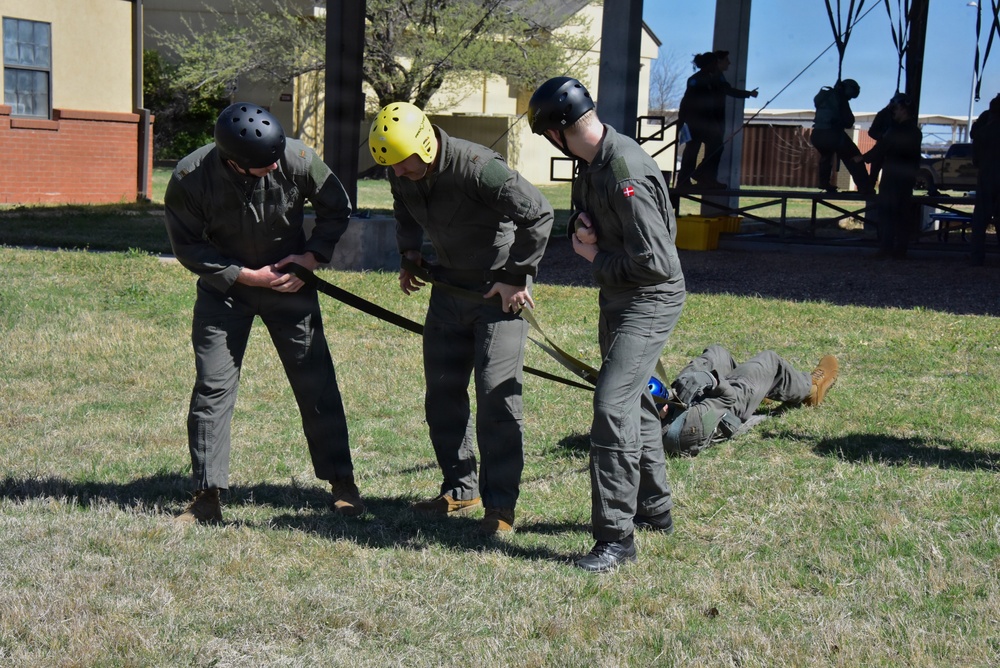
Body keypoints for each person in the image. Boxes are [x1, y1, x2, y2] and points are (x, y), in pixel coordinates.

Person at [165, 102, 364, 524]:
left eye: (277, 159)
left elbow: (336, 207)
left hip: (289, 286)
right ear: (234, 163)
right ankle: (206, 495)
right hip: (226, 291)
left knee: (316, 382)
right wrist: (241, 275)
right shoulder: (190, 177)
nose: (274, 168)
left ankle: (343, 484)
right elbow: (187, 245)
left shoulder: (296, 158)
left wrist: (310, 257)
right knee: (212, 387)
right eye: (263, 166)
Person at [367, 102, 554, 535]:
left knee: (497, 399)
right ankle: (460, 488)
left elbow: (540, 213)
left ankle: (500, 507)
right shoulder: (403, 171)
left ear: (426, 146)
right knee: (443, 393)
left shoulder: (479, 168)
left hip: (497, 297)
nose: (397, 174)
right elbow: (403, 206)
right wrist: (409, 253)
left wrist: (514, 277)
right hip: (448, 292)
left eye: (402, 164)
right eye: (389, 166)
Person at [528, 77, 686, 573]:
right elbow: (592, 218)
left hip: (649, 298)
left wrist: (595, 258)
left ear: (557, 132)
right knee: (636, 401)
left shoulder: (623, 167)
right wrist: (584, 230)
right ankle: (654, 508)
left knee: (611, 404)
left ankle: (616, 539)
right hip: (620, 296)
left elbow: (658, 262)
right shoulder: (592, 165)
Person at [658, 346, 839, 457]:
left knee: (717, 354)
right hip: (701, 419)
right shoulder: (682, 426)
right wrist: (711, 380)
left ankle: (760, 388)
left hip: (667, 412)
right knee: (770, 361)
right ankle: (811, 389)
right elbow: (726, 397)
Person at [676, 51, 758, 190]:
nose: (717, 65)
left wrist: (747, 94)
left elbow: (726, 90)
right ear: (710, 64)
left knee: (710, 148)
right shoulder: (697, 80)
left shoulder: (714, 79)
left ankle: (702, 176)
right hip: (697, 123)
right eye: (715, 63)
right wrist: (681, 121)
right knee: (696, 151)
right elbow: (687, 101)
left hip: (705, 122)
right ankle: (693, 178)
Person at [860, 94, 923, 259]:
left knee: (887, 213)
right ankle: (901, 250)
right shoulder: (915, 132)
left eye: (896, 109)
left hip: (892, 176)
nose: (893, 112)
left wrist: (862, 158)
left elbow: (880, 150)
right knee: (902, 214)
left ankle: (886, 248)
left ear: (903, 109)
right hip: (907, 177)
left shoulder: (895, 131)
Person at [810, 78, 874, 195]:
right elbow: (849, 121)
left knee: (826, 155)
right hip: (832, 134)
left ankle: (824, 182)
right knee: (853, 156)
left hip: (816, 134)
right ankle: (864, 187)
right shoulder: (840, 98)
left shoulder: (825, 96)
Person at [970, 93, 1000, 267]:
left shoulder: (983, 129)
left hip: (987, 174)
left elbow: (975, 138)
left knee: (980, 218)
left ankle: (977, 257)